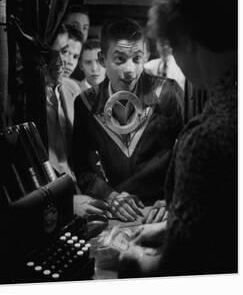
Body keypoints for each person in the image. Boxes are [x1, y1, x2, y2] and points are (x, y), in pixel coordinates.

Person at [120, 0, 238, 276]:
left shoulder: (205, 138)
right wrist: (171, 228)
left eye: (172, 47)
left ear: (187, 42)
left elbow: (178, 268)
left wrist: (130, 258)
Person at [72, 18, 184, 221]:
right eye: (120, 59)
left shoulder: (168, 93)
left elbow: (185, 155)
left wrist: (173, 197)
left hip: (161, 211)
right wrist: (110, 195)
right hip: (115, 211)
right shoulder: (85, 104)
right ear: (102, 59)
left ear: (147, 56)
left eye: (137, 58)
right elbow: (81, 168)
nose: (130, 70)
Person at [45, 24, 80, 177]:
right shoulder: (25, 100)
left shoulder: (71, 88)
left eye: (64, 51)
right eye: (53, 54)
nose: (62, 61)